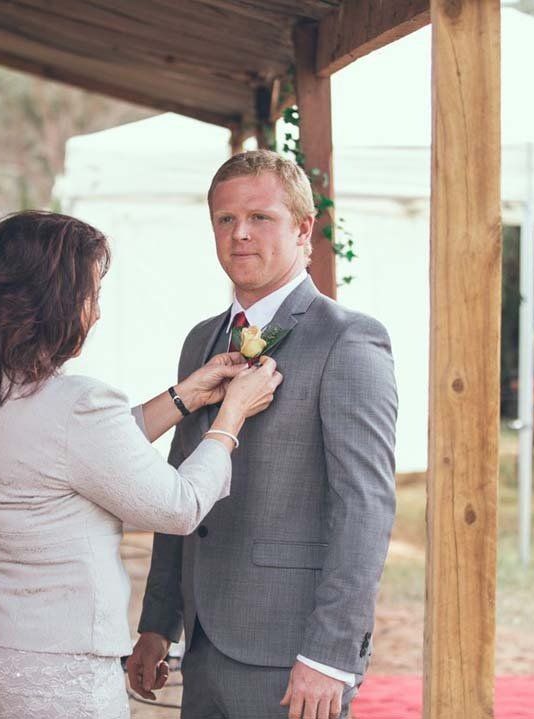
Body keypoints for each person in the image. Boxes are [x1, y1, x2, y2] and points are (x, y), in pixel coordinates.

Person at [0, 211, 283, 719]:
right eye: (90, 295)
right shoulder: (77, 405)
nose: (95, 314)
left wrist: (185, 395)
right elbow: (178, 507)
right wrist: (232, 414)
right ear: (54, 303)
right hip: (54, 678)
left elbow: (69, 458)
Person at [127, 150, 398, 719]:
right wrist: (158, 623)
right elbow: (182, 487)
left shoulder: (348, 341)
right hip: (202, 642)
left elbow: (365, 507)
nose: (239, 234)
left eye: (260, 217)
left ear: (303, 229)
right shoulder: (202, 340)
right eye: (225, 220)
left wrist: (329, 654)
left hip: (291, 653)